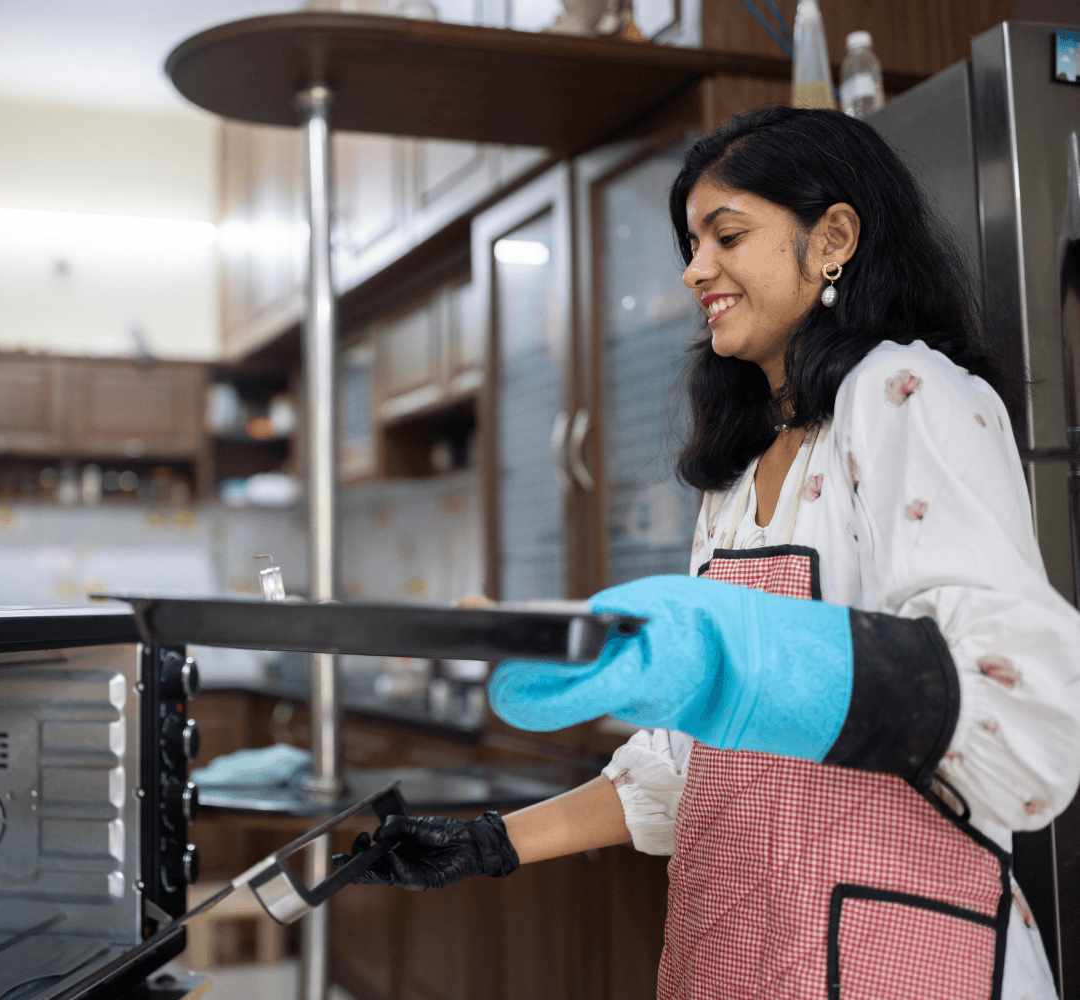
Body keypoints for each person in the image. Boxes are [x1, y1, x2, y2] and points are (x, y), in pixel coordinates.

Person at [335, 107, 1080, 1000]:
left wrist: (728, 652)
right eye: (693, 242)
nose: (695, 270)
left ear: (833, 237)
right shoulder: (733, 478)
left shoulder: (907, 393)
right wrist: (496, 841)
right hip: (747, 948)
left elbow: (1025, 706)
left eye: (727, 235)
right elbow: (699, 767)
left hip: (901, 954)